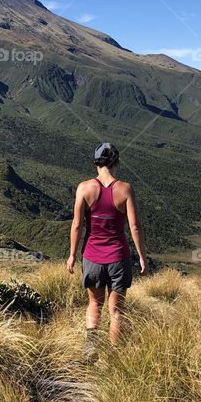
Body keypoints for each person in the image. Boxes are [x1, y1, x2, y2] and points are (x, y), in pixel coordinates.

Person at [66, 142, 147, 350]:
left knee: (94, 303)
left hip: (91, 257)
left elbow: (77, 225)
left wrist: (72, 255)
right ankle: (112, 357)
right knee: (117, 311)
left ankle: (91, 348)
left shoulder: (84, 188)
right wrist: (141, 256)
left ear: (97, 163)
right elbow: (134, 227)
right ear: (116, 162)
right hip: (118, 258)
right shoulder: (125, 189)